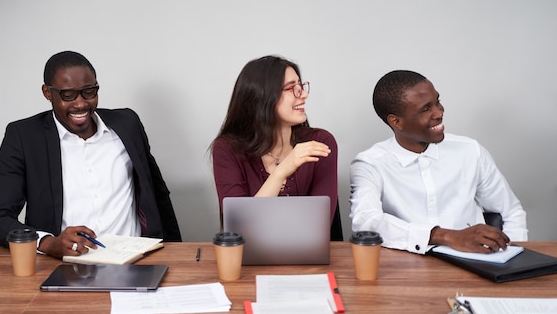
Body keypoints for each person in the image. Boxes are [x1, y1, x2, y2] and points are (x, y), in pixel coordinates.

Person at [0, 51, 181, 258]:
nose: (81, 104)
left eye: (89, 92)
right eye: (68, 95)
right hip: (65, 265)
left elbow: (158, 194)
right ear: (47, 93)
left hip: (137, 261)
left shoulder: (127, 124)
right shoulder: (24, 137)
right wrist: (49, 243)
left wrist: (177, 255)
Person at [349, 70, 527, 255]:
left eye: (438, 102)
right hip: (406, 268)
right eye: (426, 109)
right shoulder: (370, 164)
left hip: (478, 263)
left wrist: (511, 258)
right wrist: (446, 236)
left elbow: (510, 212)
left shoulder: (470, 150)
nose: (439, 113)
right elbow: (366, 221)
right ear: (396, 122)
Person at [211, 55, 338, 227]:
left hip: (310, 253)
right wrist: (280, 173)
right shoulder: (226, 149)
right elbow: (240, 227)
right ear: (261, 97)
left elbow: (319, 224)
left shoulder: (320, 142)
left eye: (300, 86)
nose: (304, 94)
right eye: (291, 88)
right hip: (250, 254)